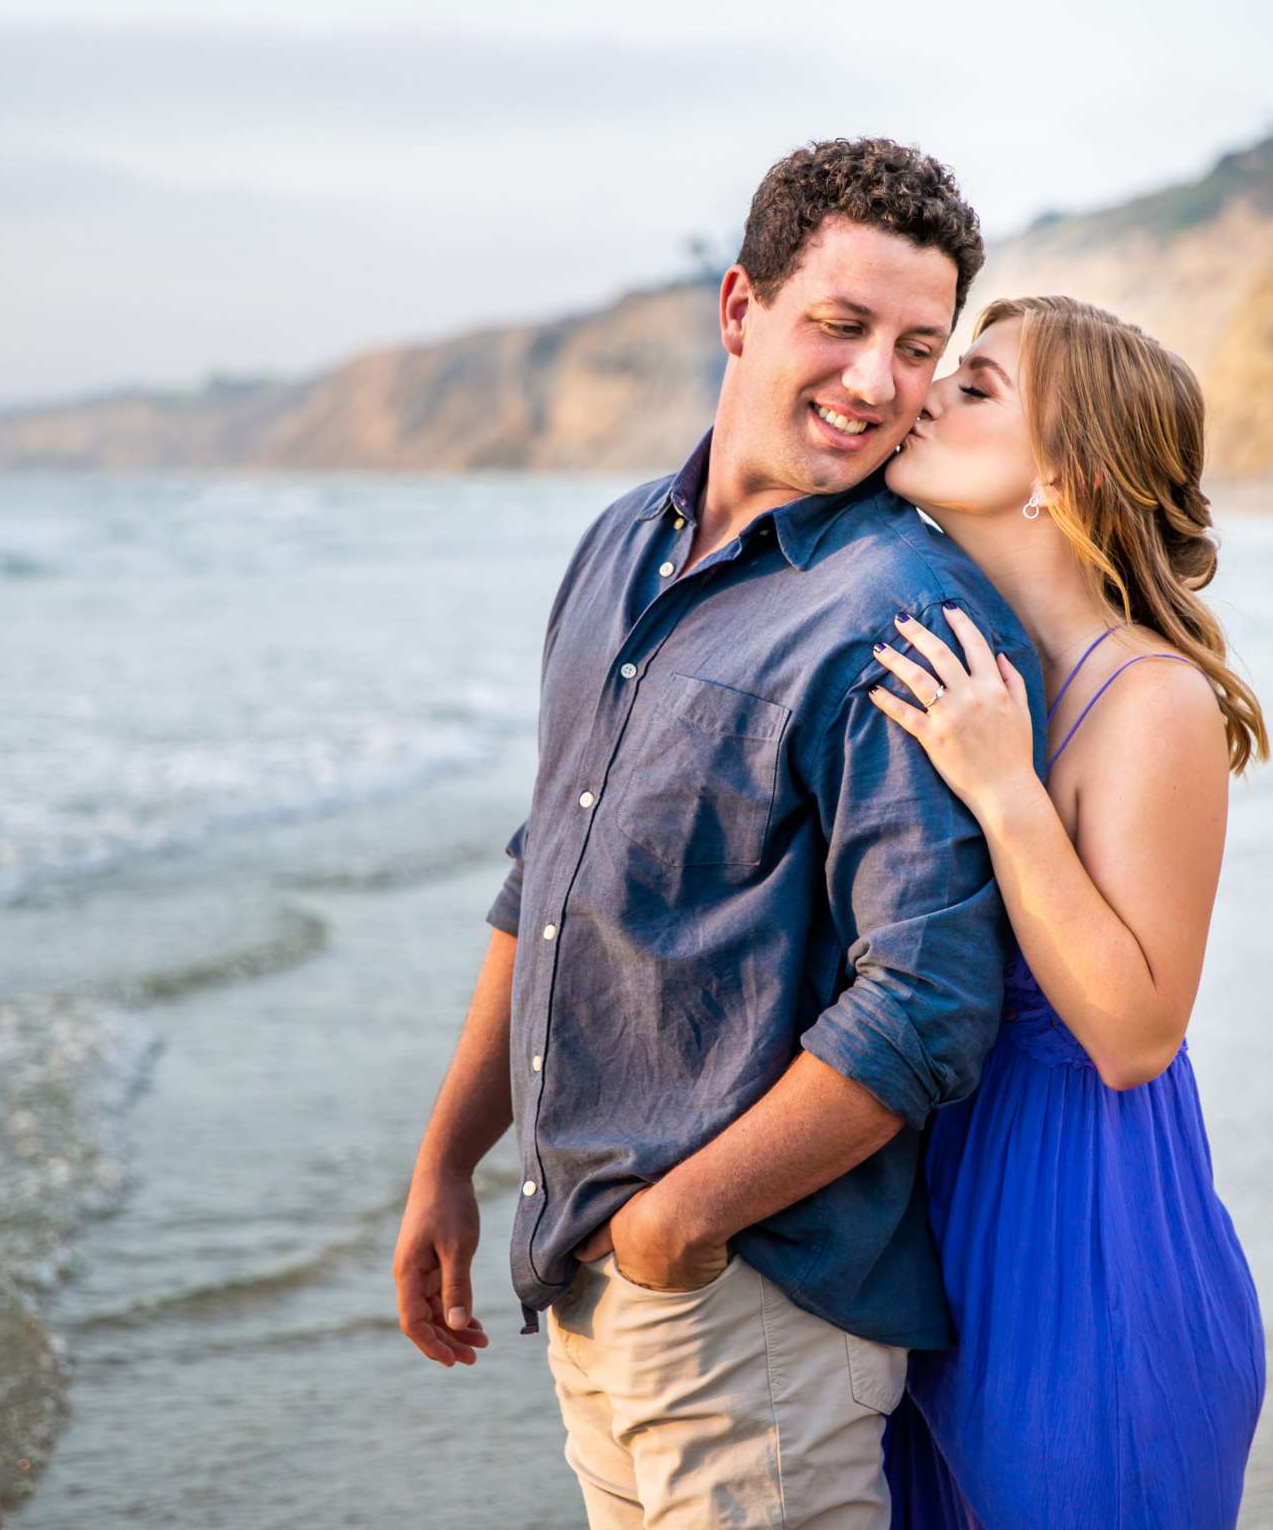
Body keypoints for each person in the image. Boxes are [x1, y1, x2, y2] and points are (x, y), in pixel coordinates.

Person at [391, 138, 1050, 1528]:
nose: (879, 382)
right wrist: (452, 1157)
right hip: (585, 1273)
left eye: (919, 345)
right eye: (843, 324)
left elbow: (929, 1000)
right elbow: (550, 871)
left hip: (755, 1308)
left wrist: (682, 1230)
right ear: (742, 310)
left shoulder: (904, 610)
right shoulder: (622, 542)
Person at [868, 295, 1271, 1529]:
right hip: (941, 1240)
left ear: (1070, 475)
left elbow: (1134, 1031)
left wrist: (1003, 787)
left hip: (1092, 1254)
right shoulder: (973, 662)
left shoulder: (1151, 699)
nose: (925, 390)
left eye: (975, 386)